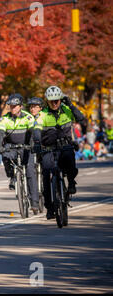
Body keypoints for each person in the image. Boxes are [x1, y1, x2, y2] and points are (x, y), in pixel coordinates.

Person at [33, 86, 86, 219]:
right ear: (47, 101)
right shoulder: (43, 114)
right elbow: (37, 129)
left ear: (61, 99)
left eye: (57, 100)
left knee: (70, 160)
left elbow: (81, 119)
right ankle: (50, 208)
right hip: (49, 148)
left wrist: (71, 105)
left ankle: (72, 182)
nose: (55, 103)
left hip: (65, 146)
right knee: (46, 173)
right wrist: (38, 143)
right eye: (52, 101)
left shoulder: (67, 110)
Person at [0, 93, 40, 213]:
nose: (13, 108)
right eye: (11, 106)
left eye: (15, 106)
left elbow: (32, 132)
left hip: (26, 147)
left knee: (30, 172)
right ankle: (12, 177)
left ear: (21, 106)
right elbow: (0, 134)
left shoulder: (28, 117)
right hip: (12, 147)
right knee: (5, 157)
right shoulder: (4, 119)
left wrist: (32, 144)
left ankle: (34, 202)